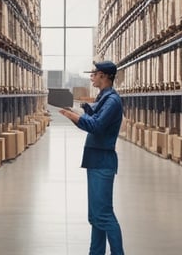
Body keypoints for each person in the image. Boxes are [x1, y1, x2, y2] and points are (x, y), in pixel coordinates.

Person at [59, 61, 124, 255]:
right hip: (95, 160)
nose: (91, 76)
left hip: (103, 162)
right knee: (95, 216)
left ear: (104, 76)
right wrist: (75, 112)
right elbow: (92, 115)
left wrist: (72, 116)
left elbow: (96, 126)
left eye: (94, 73)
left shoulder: (112, 101)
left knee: (104, 215)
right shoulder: (104, 97)